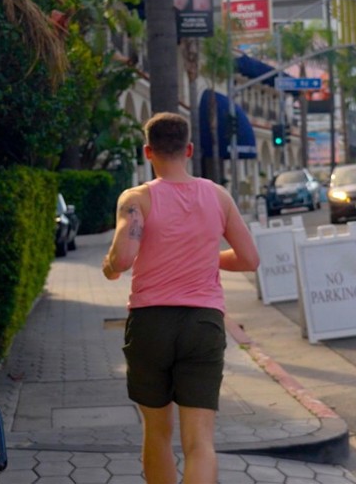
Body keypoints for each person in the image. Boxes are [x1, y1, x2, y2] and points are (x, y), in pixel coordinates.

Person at [102, 112, 260, 484]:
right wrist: (204, 256)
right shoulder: (217, 196)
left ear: (147, 152)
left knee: (157, 432)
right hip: (202, 323)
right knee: (200, 441)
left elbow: (123, 258)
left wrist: (109, 267)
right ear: (188, 149)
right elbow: (250, 259)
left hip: (150, 324)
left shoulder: (137, 198)